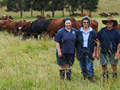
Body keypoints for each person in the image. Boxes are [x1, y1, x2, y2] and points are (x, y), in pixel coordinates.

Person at [96, 16, 120, 82]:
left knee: (114, 67)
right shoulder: (102, 30)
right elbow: (98, 41)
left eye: (110, 22)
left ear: (113, 23)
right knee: (103, 67)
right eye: (107, 22)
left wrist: (117, 54)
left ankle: (114, 80)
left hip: (113, 52)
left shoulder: (116, 31)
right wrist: (97, 52)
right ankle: (105, 80)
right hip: (103, 52)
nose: (108, 23)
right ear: (105, 23)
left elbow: (119, 43)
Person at [75, 16, 97, 81]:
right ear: (82, 23)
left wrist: (94, 53)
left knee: (89, 65)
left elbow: (95, 43)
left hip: (89, 50)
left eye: (87, 22)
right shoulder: (79, 32)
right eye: (84, 22)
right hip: (80, 50)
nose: (86, 23)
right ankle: (85, 78)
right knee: (82, 65)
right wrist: (76, 53)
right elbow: (76, 43)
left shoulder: (92, 32)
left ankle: (90, 79)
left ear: (89, 23)